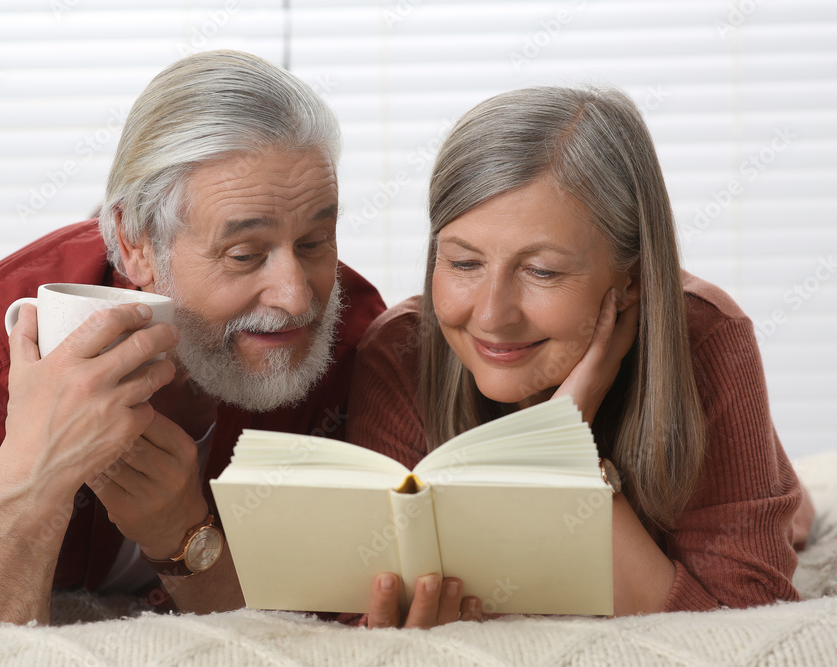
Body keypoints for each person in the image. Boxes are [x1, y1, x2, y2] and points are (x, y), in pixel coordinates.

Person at [0, 50, 386, 631]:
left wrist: (183, 536)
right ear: (136, 244)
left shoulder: (356, 335)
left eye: (315, 242)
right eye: (244, 254)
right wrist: (38, 473)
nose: (295, 297)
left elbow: (335, 615)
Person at [346, 85, 813, 628]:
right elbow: (360, 606)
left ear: (632, 278)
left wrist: (563, 450)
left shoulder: (707, 337)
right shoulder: (400, 350)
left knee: (799, 518)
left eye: (542, 271)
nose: (493, 316)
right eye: (464, 263)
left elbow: (743, 627)